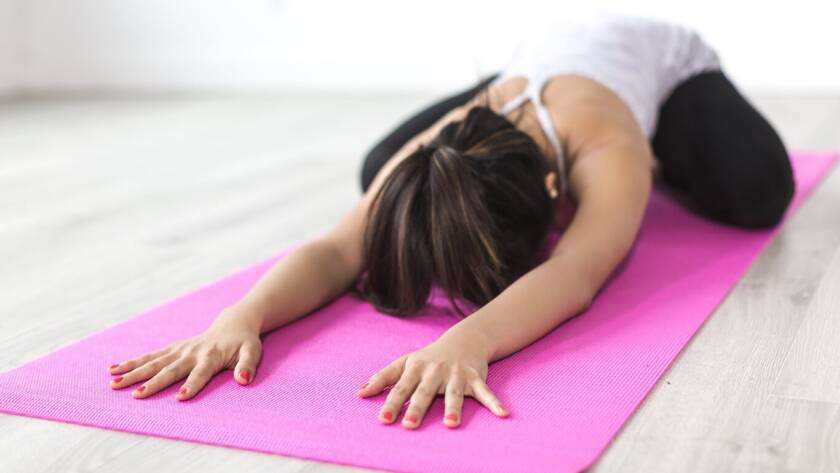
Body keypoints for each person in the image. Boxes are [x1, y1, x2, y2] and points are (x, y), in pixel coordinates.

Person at [105, 11, 795, 431]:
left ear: (555, 194)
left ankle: (670, 157)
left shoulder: (609, 147)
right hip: (534, 65)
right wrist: (240, 317)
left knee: (760, 192)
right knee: (383, 173)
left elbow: (577, 272)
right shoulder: (449, 138)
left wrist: (469, 340)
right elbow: (337, 250)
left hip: (660, 64)